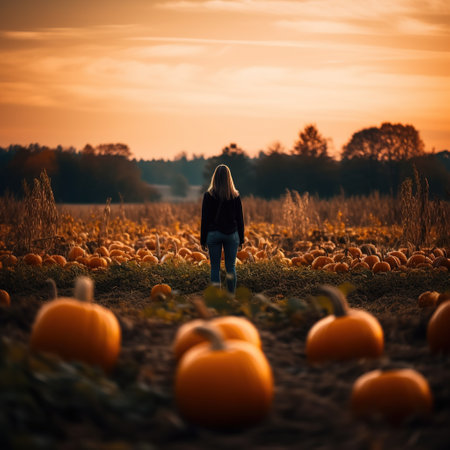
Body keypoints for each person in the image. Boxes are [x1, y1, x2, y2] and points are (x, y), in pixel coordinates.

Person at [200, 164, 244, 294]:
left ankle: (216, 297)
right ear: (229, 178)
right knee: (231, 267)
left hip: (214, 234)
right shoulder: (235, 196)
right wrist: (241, 239)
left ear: (215, 178)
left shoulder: (208, 196)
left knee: (214, 268)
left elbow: (205, 220)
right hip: (231, 234)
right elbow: (240, 220)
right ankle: (231, 296)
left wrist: (203, 240)